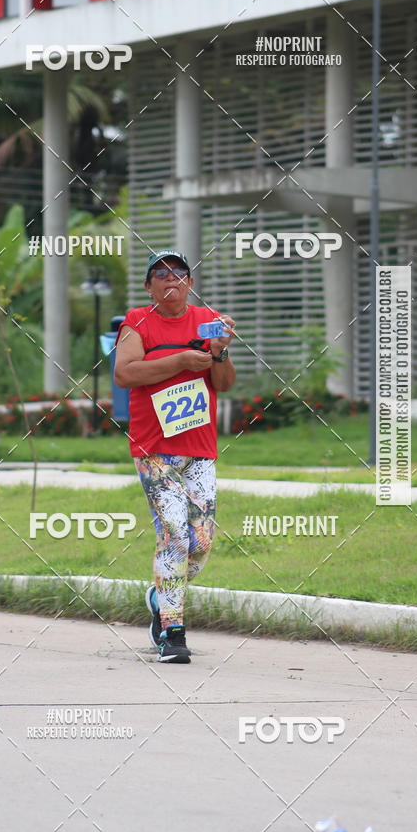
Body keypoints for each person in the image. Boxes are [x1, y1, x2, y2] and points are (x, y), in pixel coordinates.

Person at [114, 249, 236, 663]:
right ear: (149, 286)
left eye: (180, 273)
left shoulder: (208, 319)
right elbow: (125, 373)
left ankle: (159, 595)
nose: (172, 280)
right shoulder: (137, 323)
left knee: (200, 543)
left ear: (190, 282)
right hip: (154, 449)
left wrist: (218, 350)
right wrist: (181, 359)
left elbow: (224, 381)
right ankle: (172, 632)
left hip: (199, 449)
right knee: (174, 536)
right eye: (161, 275)